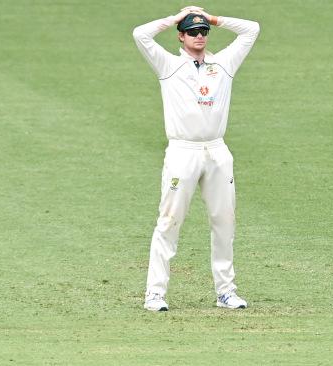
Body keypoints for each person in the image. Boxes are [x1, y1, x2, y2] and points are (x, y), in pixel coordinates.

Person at [133, 6, 260, 311]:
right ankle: (155, 293)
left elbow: (252, 29)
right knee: (169, 222)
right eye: (192, 31)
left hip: (217, 150)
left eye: (204, 31)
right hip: (183, 151)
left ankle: (226, 291)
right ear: (181, 36)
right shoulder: (168, 65)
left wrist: (213, 18)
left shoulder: (224, 64)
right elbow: (140, 34)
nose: (199, 36)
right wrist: (176, 18)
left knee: (224, 221)